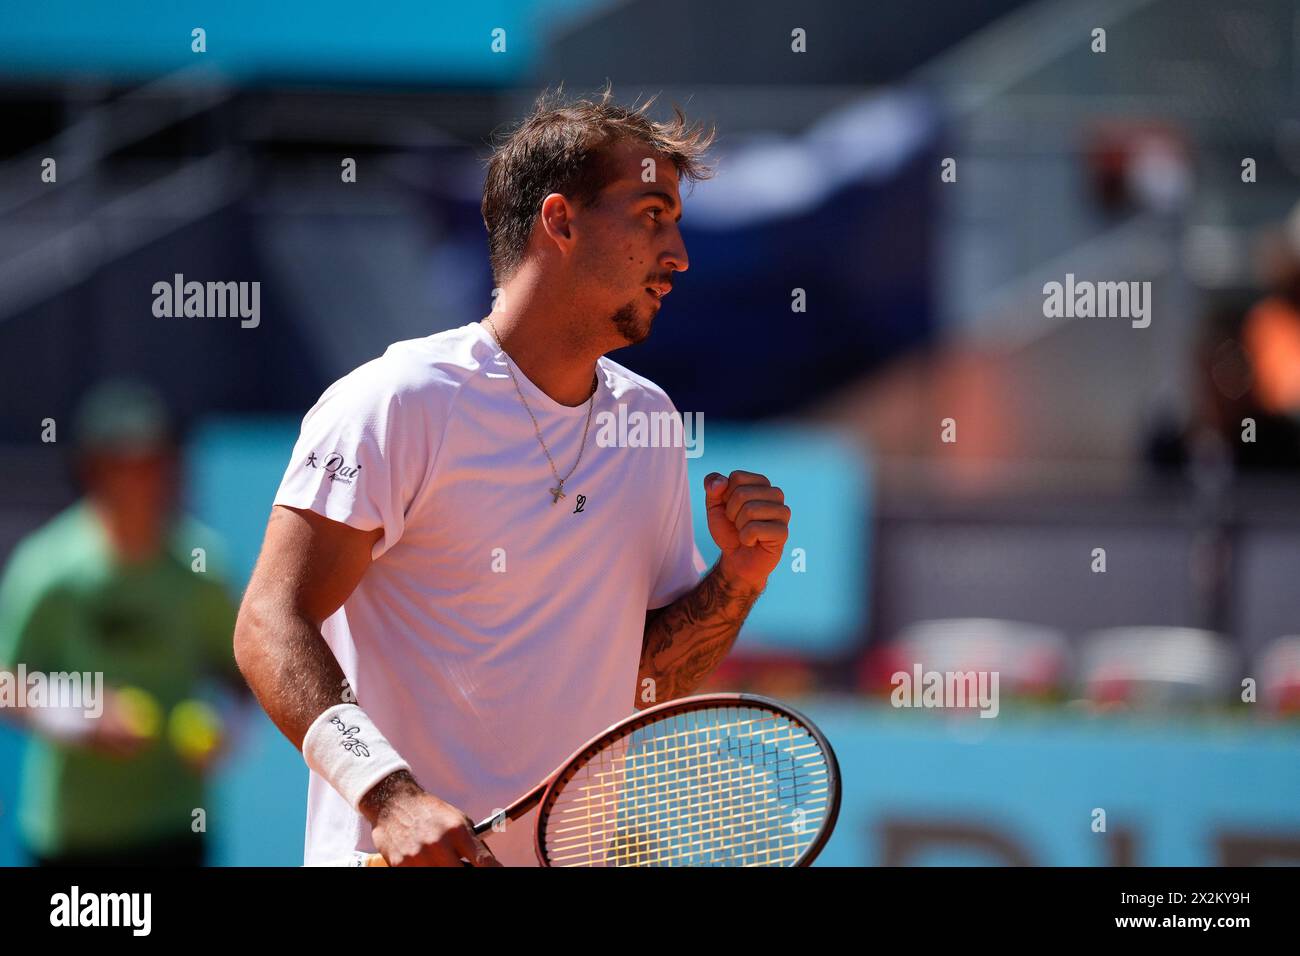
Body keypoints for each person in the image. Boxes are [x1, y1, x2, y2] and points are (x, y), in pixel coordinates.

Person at [233, 85, 793, 867]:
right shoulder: (398, 400)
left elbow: (645, 681)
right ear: (560, 221)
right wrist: (389, 796)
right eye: (651, 216)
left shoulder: (652, 423)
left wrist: (740, 576)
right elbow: (269, 621)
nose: (680, 256)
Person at [0, 380, 244, 866]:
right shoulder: (47, 569)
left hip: (177, 826)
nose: (141, 480)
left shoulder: (202, 566)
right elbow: (7, 686)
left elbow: (241, 677)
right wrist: (77, 714)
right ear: (93, 471)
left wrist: (224, 725)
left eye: (152, 463)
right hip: (74, 835)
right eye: (123, 465)